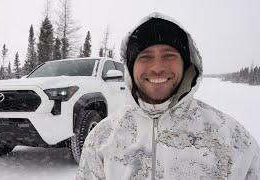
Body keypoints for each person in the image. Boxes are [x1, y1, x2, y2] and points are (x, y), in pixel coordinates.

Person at [76, 12, 260, 180]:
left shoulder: (233, 140)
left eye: (169, 55)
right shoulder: (101, 139)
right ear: (131, 68)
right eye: (145, 57)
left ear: (186, 65)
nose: (157, 67)